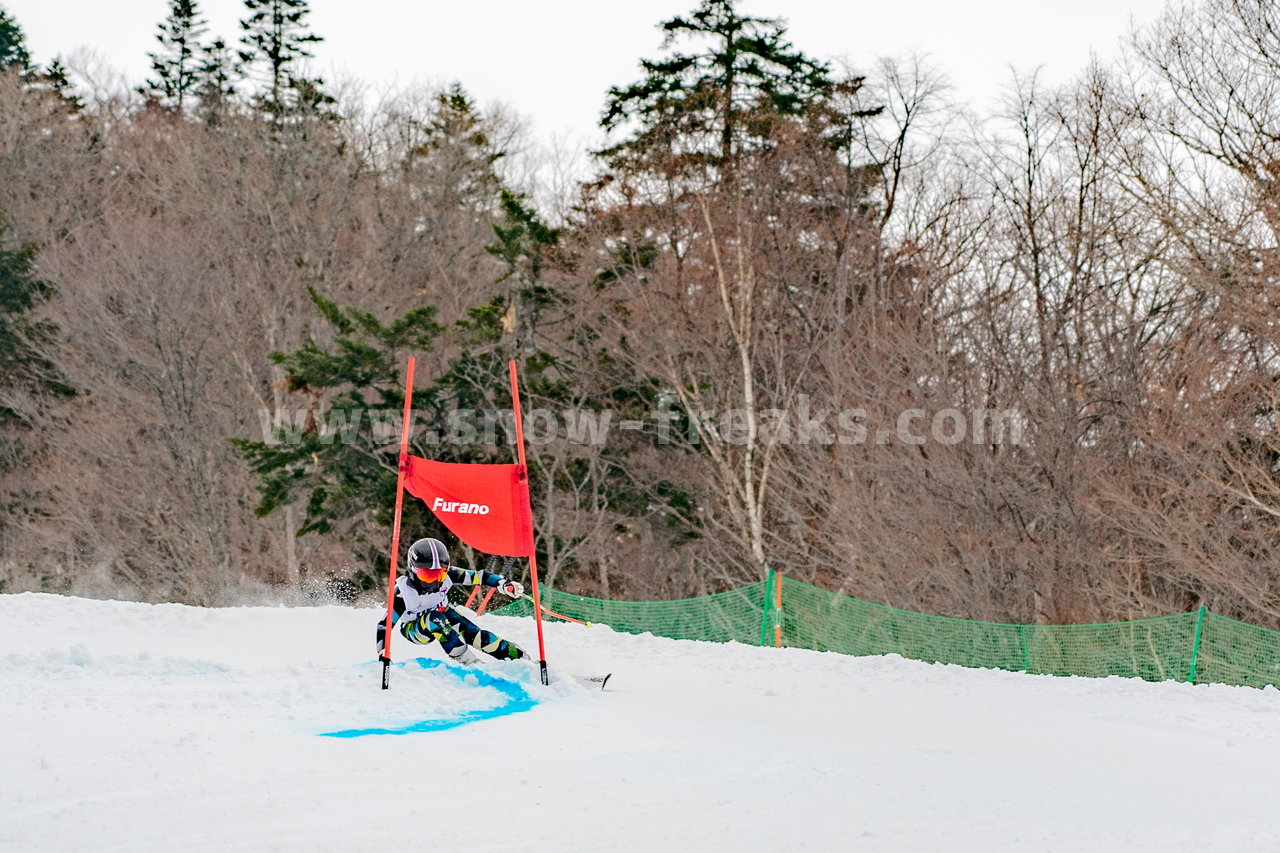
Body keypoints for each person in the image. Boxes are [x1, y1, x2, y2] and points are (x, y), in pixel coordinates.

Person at [376, 537, 527, 666]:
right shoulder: (404, 594)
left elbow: (479, 576)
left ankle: (520, 658)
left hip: (443, 611)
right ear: (413, 570)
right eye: (427, 576)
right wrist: (383, 653)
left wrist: (504, 584)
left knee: (478, 636)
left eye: (439, 575)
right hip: (414, 628)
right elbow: (384, 625)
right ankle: (468, 662)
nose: (434, 582)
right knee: (434, 618)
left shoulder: (450, 574)